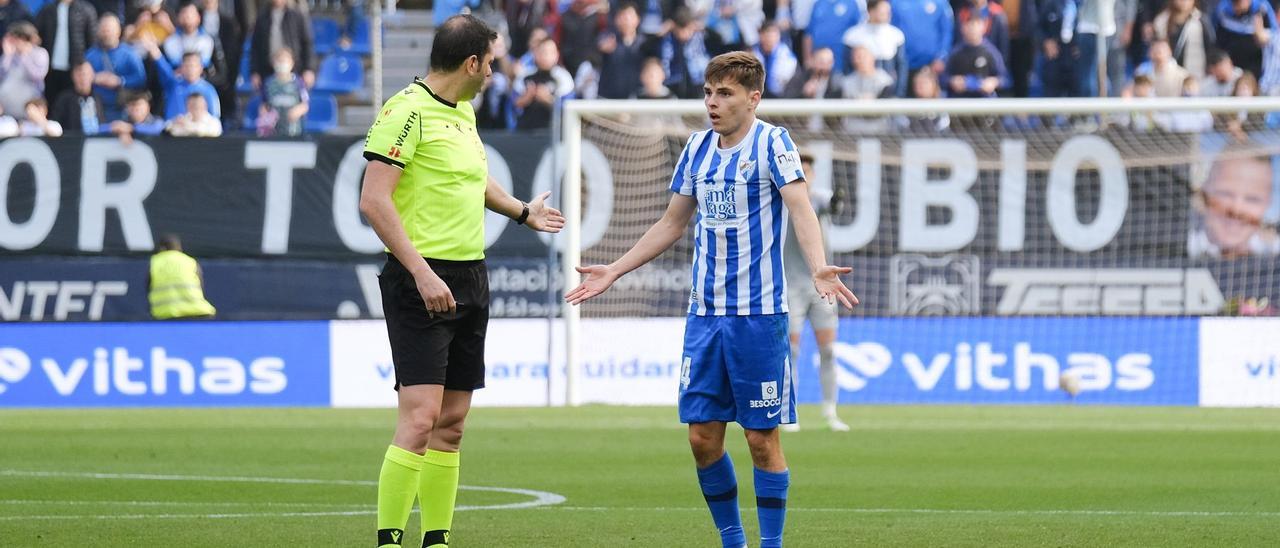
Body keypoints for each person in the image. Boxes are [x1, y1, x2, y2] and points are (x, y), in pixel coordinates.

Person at [566, 51, 858, 548]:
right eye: (707, 92)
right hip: (704, 317)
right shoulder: (697, 149)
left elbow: (801, 209)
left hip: (759, 316)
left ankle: (770, 544)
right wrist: (614, 269)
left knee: (760, 439)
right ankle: (732, 540)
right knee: (702, 437)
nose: (712, 103)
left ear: (753, 98)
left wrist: (817, 265)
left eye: (724, 94)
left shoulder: (774, 144)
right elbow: (671, 222)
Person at [358, 15, 564, 548]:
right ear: (471, 63)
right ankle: (389, 540)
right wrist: (421, 273)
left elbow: (473, 178)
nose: (494, 73)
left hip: (470, 276)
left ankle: (437, 540)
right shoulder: (405, 113)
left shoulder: (463, 112)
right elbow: (374, 201)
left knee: (451, 424)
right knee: (421, 417)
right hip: (420, 279)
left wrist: (522, 211)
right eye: (491, 63)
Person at [781, 153, 849, 433]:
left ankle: (831, 412)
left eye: (807, 172)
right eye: (800, 172)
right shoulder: (782, 198)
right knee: (791, 351)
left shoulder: (818, 198)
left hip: (821, 287)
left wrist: (838, 200)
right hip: (791, 286)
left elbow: (833, 206)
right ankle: (789, 412)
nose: (804, 177)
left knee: (829, 350)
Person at [1189, 148, 1280, 258]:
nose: (1236, 210)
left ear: (1267, 202)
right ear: (1205, 192)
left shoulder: (1272, 248)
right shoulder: (1184, 236)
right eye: (1225, 194)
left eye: (1252, 199)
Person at [86, 12, 145, 121]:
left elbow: (141, 78)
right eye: (103, 29)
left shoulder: (129, 54)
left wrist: (120, 81)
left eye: (110, 29)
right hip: (97, 108)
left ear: (118, 31)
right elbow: (80, 79)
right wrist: (94, 78)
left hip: (123, 107)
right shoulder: (90, 55)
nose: (107, 33)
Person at [35, 0, 96, 102]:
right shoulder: (48, 10)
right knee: (51, 100)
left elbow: (92, 40)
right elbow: (38, 35)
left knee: (72, 102)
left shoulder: (85, 9)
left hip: (74, 68)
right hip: (50, 69)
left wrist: (82, 64)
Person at [841, 0, 906, 96]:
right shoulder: (853, 35)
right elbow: (847, 67)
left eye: (888, 12)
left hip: (887, 91)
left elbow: (901, 67)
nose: (887, 15)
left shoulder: (896, 35)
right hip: (858, 91)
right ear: (870, 11)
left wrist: (898, 94)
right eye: (882, 12)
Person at [148, 234, 216, 320]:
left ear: (162, 248)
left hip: (166, 314)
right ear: (179, 247)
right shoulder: (190, 261)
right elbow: (200, 287)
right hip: (197, 312)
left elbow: (148, 288)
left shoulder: (155, 262)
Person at [514, 37, 574, 129]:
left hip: (554, 131)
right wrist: (527, 97)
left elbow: (569, 108)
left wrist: (548, 100)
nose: (546, 55)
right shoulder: (525, 75)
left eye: (550, 52)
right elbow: (513, 104)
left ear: (557, 55)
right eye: (543, 52)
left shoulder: (563, 77)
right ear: (535, 54)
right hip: (525, 130)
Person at [945, 15, 1009, 98]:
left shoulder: (991, 52)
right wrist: (952, 81)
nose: (972, 29)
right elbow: (943, 77)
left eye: (976, 25)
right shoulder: (955, 52)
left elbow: (1005, 79)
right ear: (963, 28)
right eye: (969, 25)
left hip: (984, 101)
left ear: (983, 27)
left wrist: (993, 82)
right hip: (961, 101)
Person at [0, 21, 48, 119]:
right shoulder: (9, 54)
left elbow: (37, 76)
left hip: (29, 110)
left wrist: (25, 56)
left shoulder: (40, 53)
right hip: (7, 110)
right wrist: (7, 56)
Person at [257, 46, 308, 136]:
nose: (282, 64)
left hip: (294, 130)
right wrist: (265, 116)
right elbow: (264, 104)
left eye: (285, 61)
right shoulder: (268, 83)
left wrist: (297, 111)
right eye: (279, 61)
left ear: (292, 63)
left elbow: (305, 105)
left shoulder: (298, 83)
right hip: (274, 130)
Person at [50, 59, 105, 132]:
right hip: (73, 141)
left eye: (85, 74)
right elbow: (55, 124)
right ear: (73, 77)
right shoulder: (64, 99)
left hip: (97, 141)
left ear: (92, 76)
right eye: (79, 75)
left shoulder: (98, 98)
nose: (83, 78)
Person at [753, 20, 798, 98]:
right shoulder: (752, 53)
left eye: (774, 35)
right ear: (761, 35)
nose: (770, 38)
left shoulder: (787, 56)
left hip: (781, 97)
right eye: (767, 34)